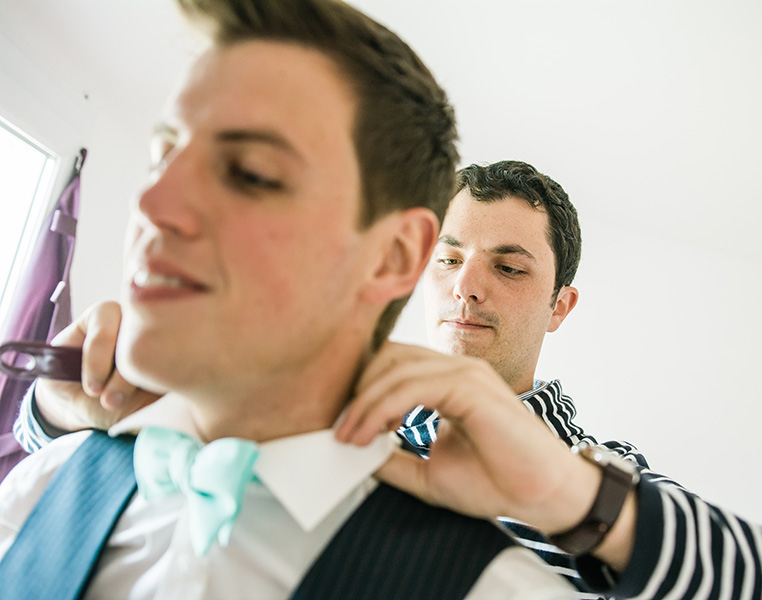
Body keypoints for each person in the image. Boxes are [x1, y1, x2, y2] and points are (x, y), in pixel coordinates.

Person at [13, 158, 762, 599]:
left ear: (561, 305)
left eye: (508, 266)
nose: (466, 284)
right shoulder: (306, 406)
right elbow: (50, 489)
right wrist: (66, 412)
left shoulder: (606, 481)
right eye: (451, 258)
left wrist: (572, 499)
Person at [0, 1, 580, 598]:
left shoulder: (503, 578)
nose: (151, 202)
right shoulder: (48, 488)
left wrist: (577, 500)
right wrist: (57, 415)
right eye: (162, 154)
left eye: (251, 172)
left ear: (392, 257)